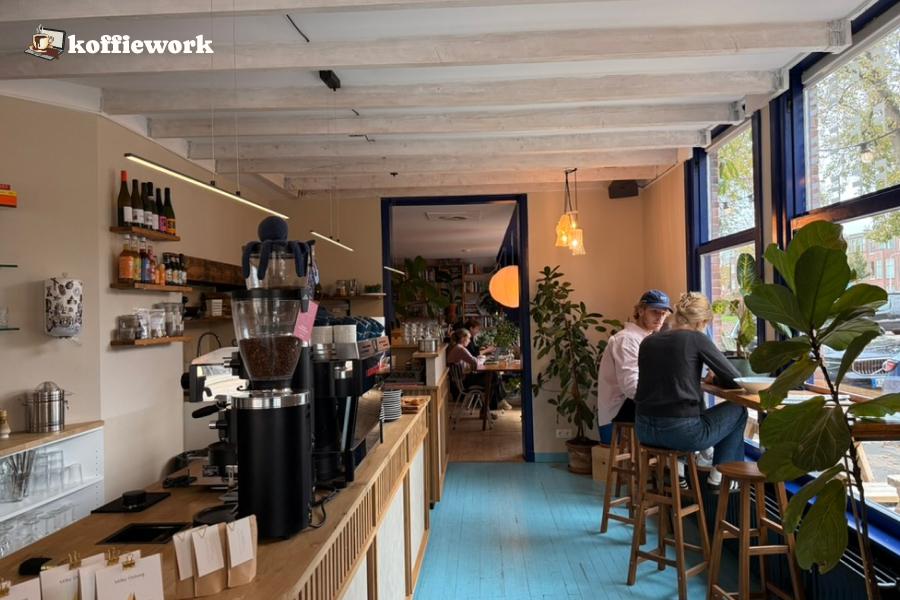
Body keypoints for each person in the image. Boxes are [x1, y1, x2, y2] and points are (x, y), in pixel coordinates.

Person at [633, 292, 746, 488]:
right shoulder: (696, 338)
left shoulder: (648, 341)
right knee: (739, 410)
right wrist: (714, 378)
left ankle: (678, 472)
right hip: (681, 434)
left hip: (644, 430)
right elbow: (736, 381)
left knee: (692, 405)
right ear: (702, 322)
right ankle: (720, 478)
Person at [596, 290, 672, 444]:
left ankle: (690, 453)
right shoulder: (627, 339)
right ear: (641, 311)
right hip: (619, 413)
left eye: (663, 313)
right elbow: (631, 388)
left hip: (634, 408)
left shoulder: (649, 339)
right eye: (654, 311)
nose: (660, 317)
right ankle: (693, 453)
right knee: (680, 408)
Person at [447, 328, 499, 417]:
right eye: (468, 338)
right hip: (465, 382)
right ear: (463, 338)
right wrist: (484, 358)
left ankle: (485, 411)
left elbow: (472, 360)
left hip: (462, 381)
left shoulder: (457, 347)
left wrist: (480, 358)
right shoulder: (460, 349)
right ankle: (485, 411)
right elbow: (475, 362)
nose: (469, 340)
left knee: (493, 377)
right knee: (493, 377)